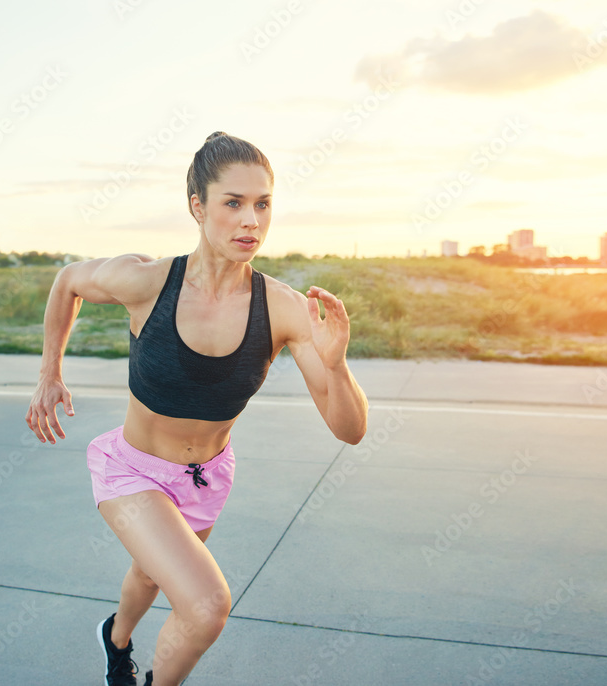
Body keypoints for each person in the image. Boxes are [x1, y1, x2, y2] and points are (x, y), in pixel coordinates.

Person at [25, 132, 368, 686]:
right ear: (197, 207)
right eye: (233, 203)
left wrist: (336, 365)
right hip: (131, 470)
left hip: (205, 479)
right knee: (206, 606)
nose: (250, 221)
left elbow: (349, 431)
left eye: (262, 204)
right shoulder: (146, 280)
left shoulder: (282, 308)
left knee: (151, 574)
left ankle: (114, 639)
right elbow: (68, 281)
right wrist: (49, 373)